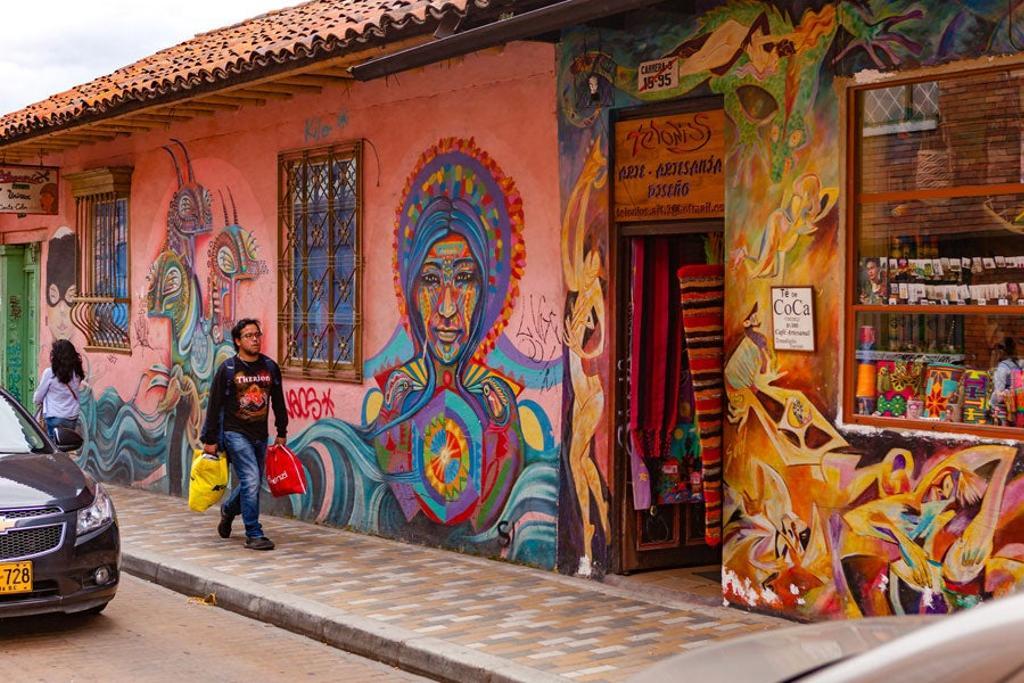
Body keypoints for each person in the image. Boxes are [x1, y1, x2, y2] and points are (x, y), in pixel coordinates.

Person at [200, 318, 287, 551]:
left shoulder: (269, 367)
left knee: (253, 481)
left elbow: (278, 400)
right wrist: (210, 439)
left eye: (257, 335)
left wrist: (282, 431)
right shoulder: (228, 369)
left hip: (260, 434)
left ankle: (228, 510)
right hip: (234, 433)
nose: (255, 339)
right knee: (250, 479)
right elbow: (215, 405)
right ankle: (253, 533)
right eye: (249, 336)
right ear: (238, 341)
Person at [33, 339, 84, 441]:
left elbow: (38, 397)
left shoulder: (50, 373)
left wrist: (36, 400)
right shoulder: (76, 373)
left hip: (54, 416)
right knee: (66, 445)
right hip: (72, 416)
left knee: (55, 447)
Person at [990, 337, 1022, 417]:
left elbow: (999, 396)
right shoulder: (1018, 364)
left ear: (1000, 352)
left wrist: (991, 403)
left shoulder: (1002, 368)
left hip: (1005, 411)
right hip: (1019, 407)